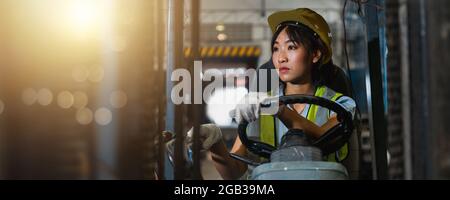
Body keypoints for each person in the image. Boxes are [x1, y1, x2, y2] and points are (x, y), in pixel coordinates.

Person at [185, 8, 357, 180]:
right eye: (276, 48)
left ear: (315, 54)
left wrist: (279, 109)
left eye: (291, 47)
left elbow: (326, 135)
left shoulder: (342, 105)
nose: (281, 57)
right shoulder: (259, 103)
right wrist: (215, 144)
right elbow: (234, 173)